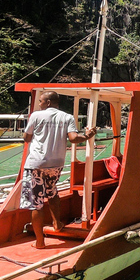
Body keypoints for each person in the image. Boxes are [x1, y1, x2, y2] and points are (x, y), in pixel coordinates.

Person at [22, 91, 96, 249]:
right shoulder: (67, 117)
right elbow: (74, 139)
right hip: (56, 164)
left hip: (36, 164)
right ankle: (57, 222)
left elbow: (27, 138)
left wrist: (30, 136)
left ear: (48, 102)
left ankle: (40, 242)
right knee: (52, 191)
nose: (40, 103)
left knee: (36, 202)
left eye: (41, 101)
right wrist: (88, 136)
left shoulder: (36, 116)